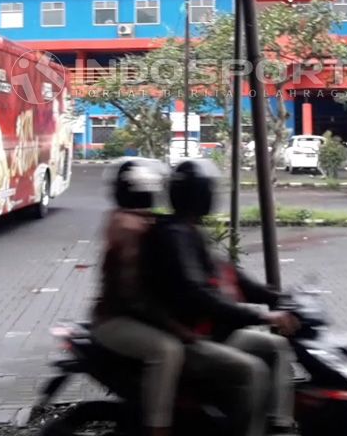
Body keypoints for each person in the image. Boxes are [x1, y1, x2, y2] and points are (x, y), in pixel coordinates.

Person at [144, 158, 300, 436]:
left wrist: (277, 297)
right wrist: (261, 314)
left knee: (277, 347)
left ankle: (279, 425)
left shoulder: (190, 229)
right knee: (253, 371)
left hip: (213, 332)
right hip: (189, 338)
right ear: (200, 195)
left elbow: (230, 273)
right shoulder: (174, 235)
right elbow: (199, 295)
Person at [89, 158, 191, 436]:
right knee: (167, 350)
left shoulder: (140, 220)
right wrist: (173, 325)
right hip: (116, 318)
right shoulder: (128, 226)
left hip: (134, 313)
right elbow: (133, 294)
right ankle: (157, 427)